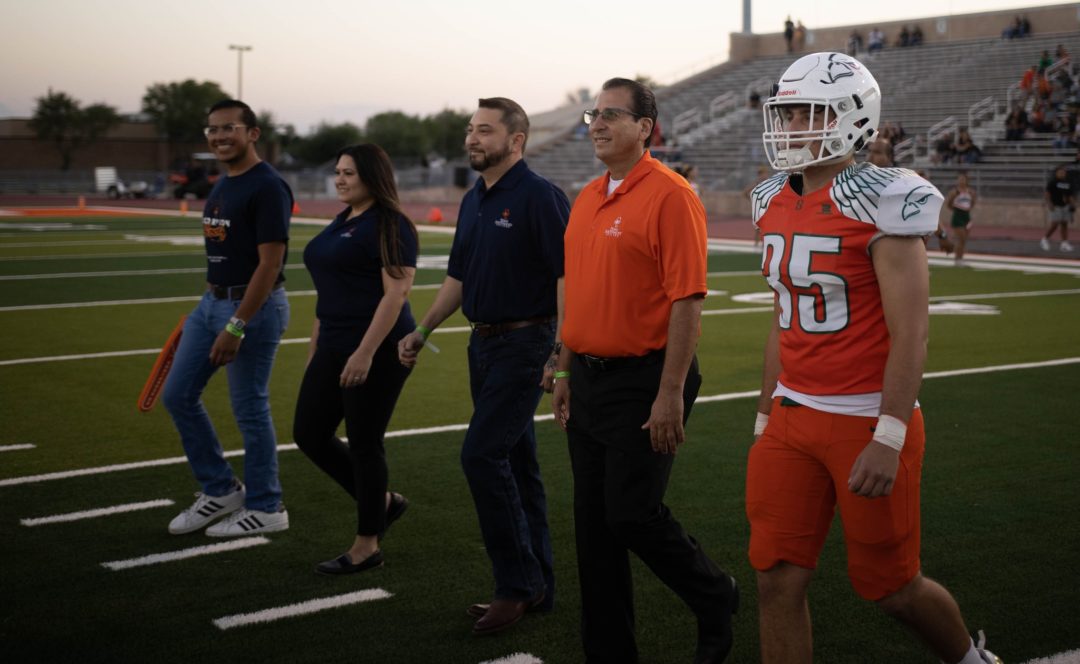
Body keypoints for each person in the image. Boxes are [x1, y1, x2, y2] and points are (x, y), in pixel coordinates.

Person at [749, 52, 1001, 664]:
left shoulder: (889, 197)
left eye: (809, 113)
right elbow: (784, 320)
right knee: (776, 580)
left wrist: (888, 434)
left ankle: (972, 661)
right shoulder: (768, 199)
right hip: (791, 416)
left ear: (852, 119)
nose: (793, 128)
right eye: (787, 114)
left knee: (891, 588)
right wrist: (763, 420)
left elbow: (911, 333)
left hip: (864, 418)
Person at [551, 77, 739, 664]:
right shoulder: (585, 197)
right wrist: (562, 368)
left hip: (646, 378)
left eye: (612, 114)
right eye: (593, 114)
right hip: (586, 378)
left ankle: (715, 595)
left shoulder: (670, 194)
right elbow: (575, 293)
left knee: (631, 515)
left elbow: (687, 299)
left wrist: (670, 393)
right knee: (593, 530)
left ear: (645, 128)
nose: (599, 123)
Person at [398, 97, 569, 636]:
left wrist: (560, 355)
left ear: (516, 141)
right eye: (471, 130)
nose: (472, 139)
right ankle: (538, 584)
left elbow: (570, 280)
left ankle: (515, 587)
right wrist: (422, 330)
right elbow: (459, 277)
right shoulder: (474, 198)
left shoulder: (541, 197)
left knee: (481, 455)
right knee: (518, 466)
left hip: (526, 342)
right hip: (483, 345)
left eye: (485, 131)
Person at [163, 99, 293, 536]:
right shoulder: (223, 182)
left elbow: (269, 266)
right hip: (211, 304)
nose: (219, 136)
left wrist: (235, 324)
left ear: (253, 133)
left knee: (249, 409)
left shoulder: (267, 186)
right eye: (212, 129)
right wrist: (202, 311)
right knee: (177, 395)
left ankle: (266, 505)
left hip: (252, 309)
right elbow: (222, 254)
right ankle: (220, 489)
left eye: (229, 128)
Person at [292, 144, 418, 574]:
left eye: (349, 173)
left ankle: (368, 545)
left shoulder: (392, 224)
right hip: (334, 342)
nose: (340, 179)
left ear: (372, 176)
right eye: (337, 172)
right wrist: (315, 347)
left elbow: (396, 294)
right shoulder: (342, 220)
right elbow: (329, 294)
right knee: (309, 433)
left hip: (378, 347)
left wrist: (365, 352)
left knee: (365, 443)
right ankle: (382, 501)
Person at [945, 171, 977, 265]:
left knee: (964, 239)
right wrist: (957, 210)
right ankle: (957, 259)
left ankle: (960, 258)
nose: (961, 181)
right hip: (957, 216)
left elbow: (973, 203)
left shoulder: (971, 192)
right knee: (961, 238)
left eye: (963, 179)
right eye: (959, 179)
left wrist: (966, 209)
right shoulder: (954, 192)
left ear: (967, 181)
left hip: (966, 217)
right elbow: (948, 205)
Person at [1042, 166, 1075, 251]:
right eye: (1060, 172)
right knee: (1055, 224)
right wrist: (1049, 203)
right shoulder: (1053, 182)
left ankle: (1064, 243)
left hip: (1065, 206)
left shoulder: (1068, 183)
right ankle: (1045, 239)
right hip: (1056, 205)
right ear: (1056, 173)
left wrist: (1072, 204)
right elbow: (1047, 193)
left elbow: (1070, 195)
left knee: (1064, 224)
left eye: (1063, 172)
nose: (1062, 173)